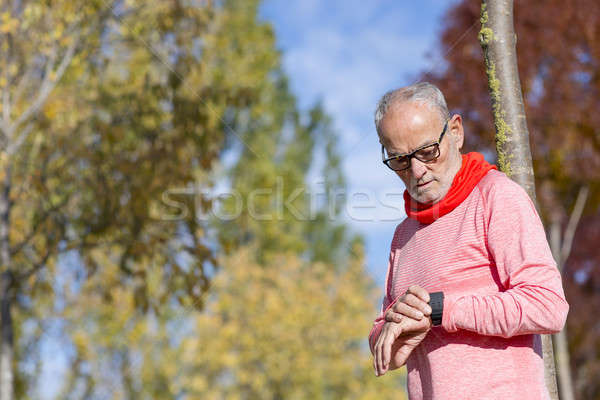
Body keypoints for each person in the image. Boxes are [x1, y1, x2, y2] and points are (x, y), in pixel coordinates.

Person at [368, 82, 569, 400]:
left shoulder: (496, 198)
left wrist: (443, 309)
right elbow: (383, 340)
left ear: (456, 132)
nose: (417, 171)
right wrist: (392, 337)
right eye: (400, 160)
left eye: (427, 151)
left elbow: (548, 306)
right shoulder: (402, 235)